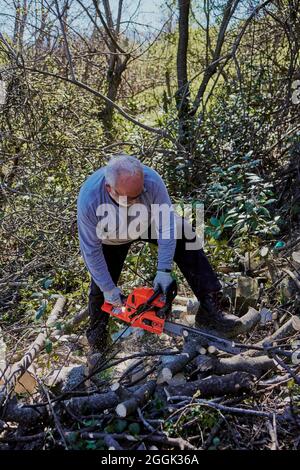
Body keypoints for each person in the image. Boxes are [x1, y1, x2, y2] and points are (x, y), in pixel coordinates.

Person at [77, 154, 241, 366]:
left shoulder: (152, 181)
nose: (135, 201)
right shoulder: (90, 198)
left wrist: (164, 270)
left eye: (139, 194)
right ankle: (98, 343)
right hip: (111, 237)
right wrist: (109, 288)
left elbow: (167, 226)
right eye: (129, 198)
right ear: (110, 189)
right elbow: (91, 251)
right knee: (101, 290)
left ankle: (211, 309)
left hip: (146, 223)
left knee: (186, 234)